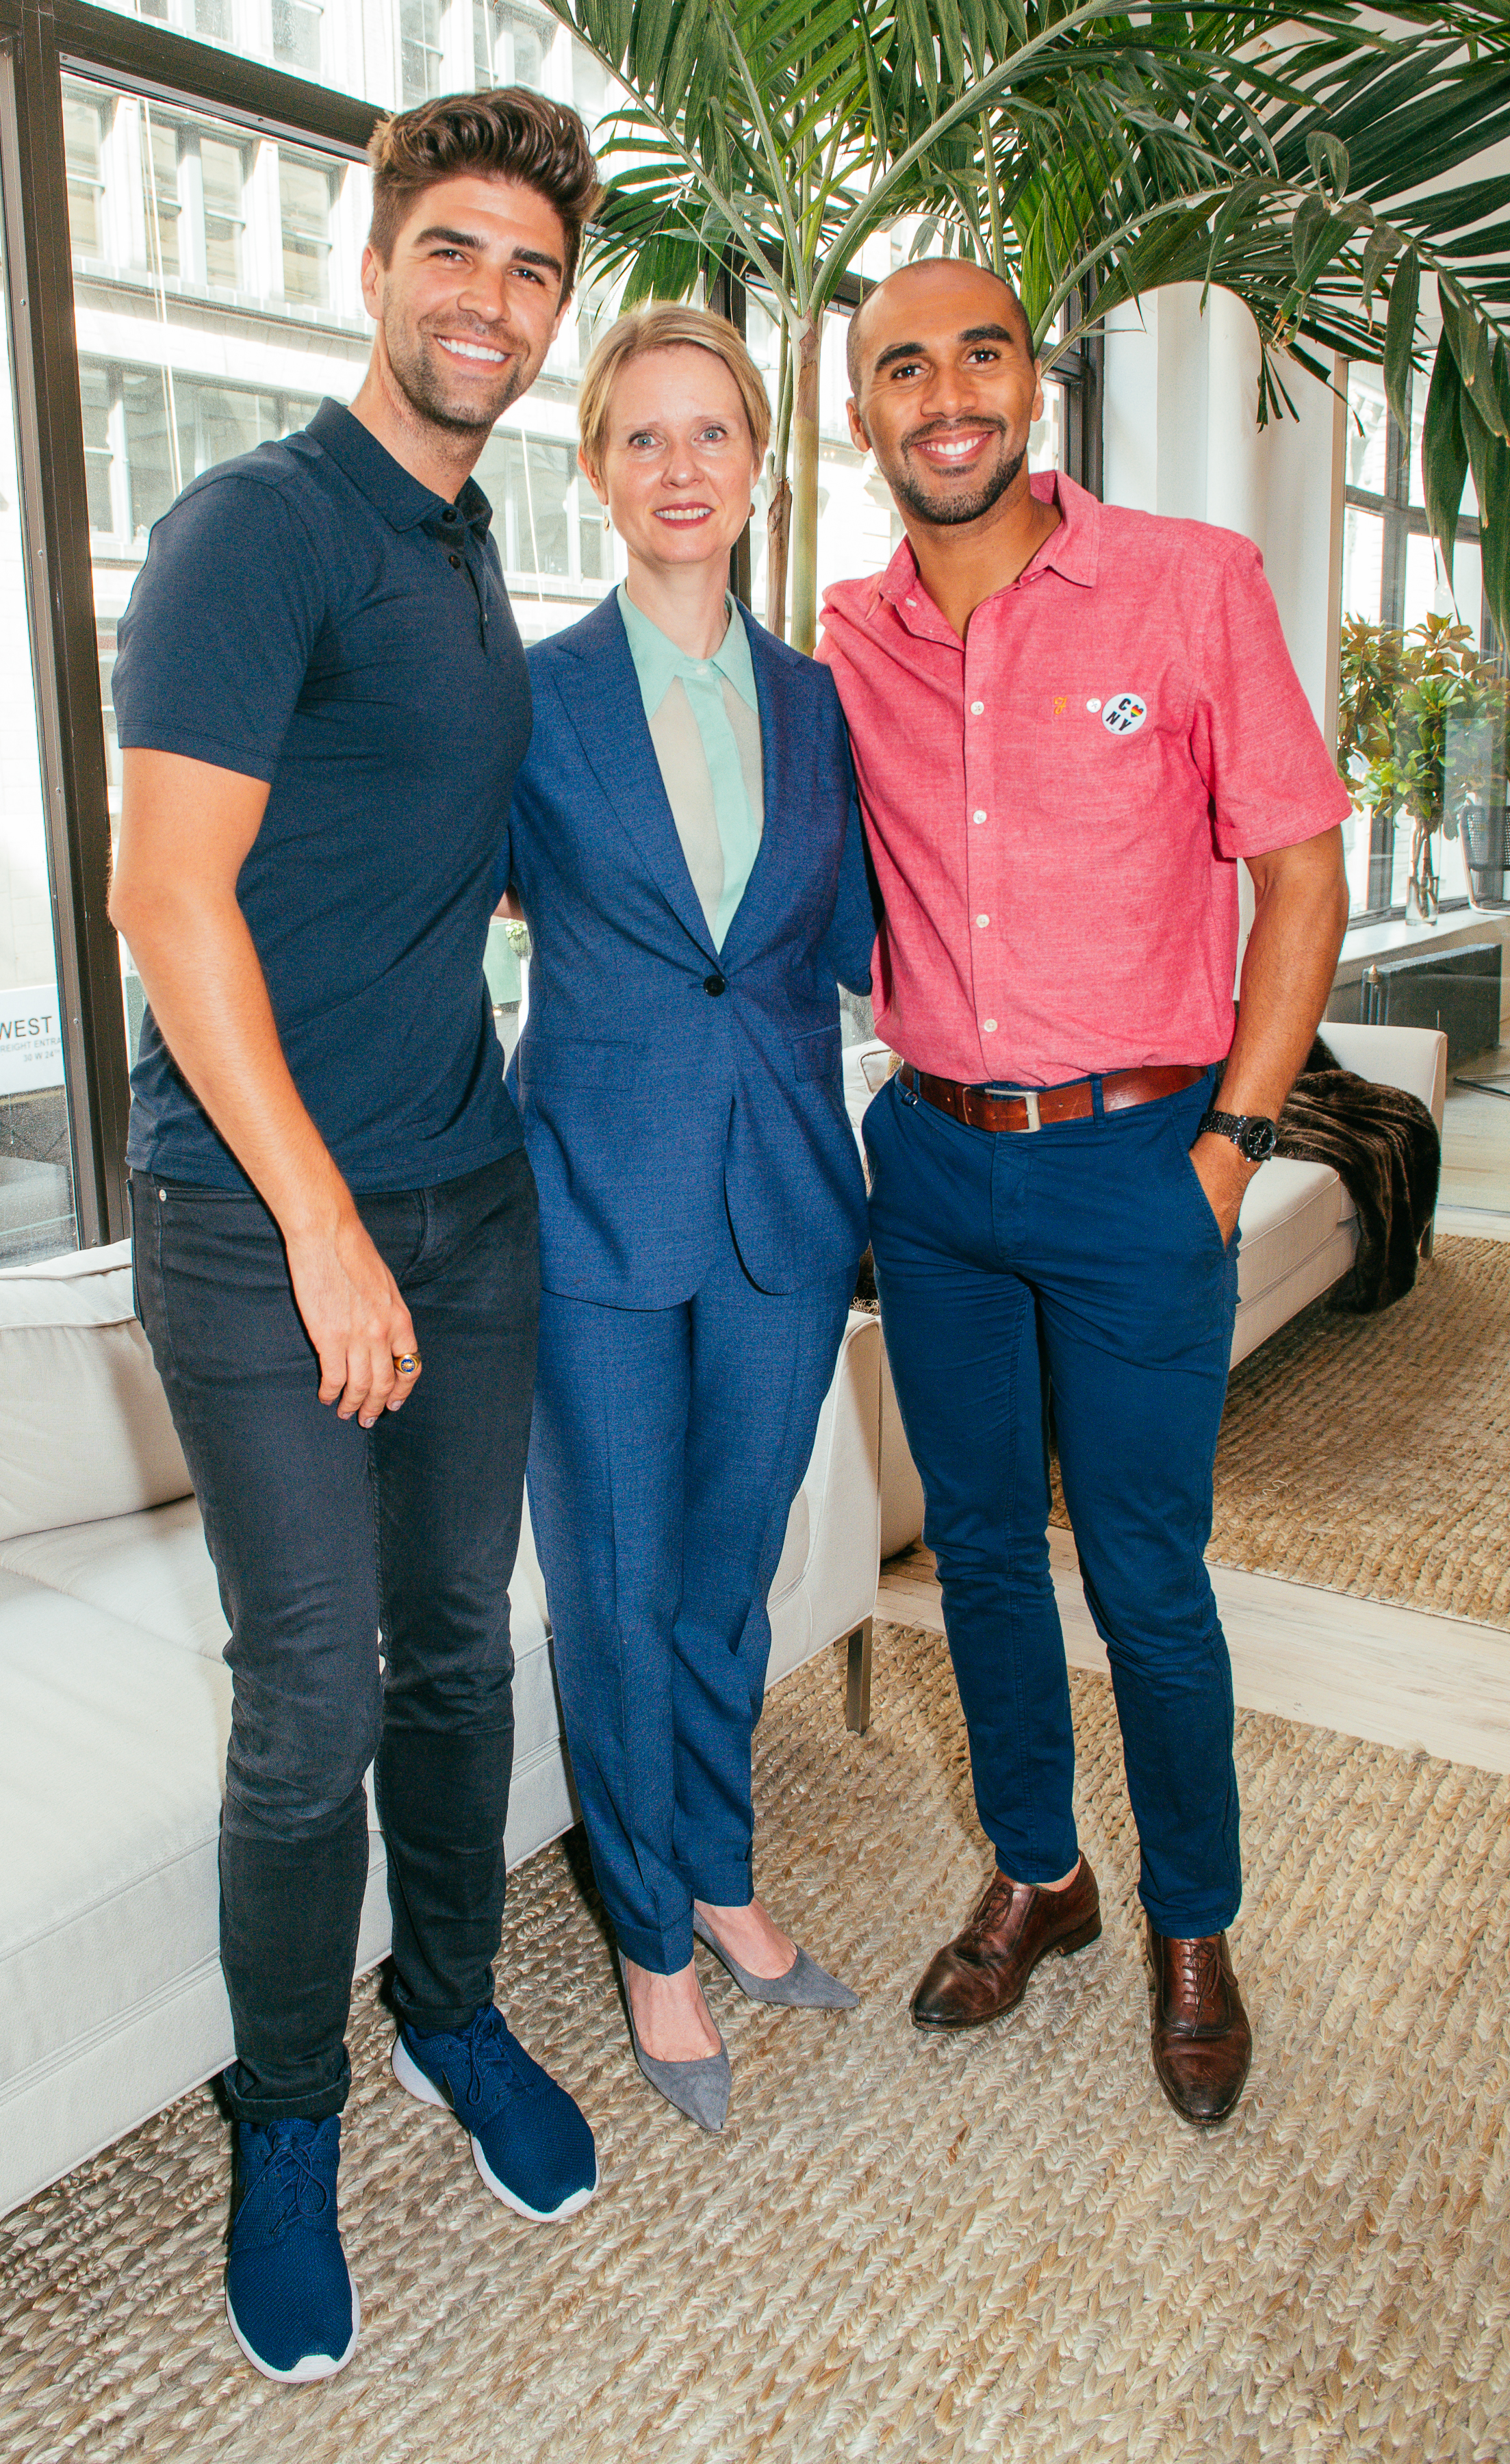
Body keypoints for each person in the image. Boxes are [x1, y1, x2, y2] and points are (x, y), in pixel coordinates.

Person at [107, 91, 604, 2385]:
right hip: (260, 1220)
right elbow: (163, 897)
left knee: (458, 1657)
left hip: (466, 1195)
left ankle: (450, 2015)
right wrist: (319, 1227)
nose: (489, 301)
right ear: (372, 259)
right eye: (454, 253)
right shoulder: (258, 526)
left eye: (529, 268)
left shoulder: (463, 547)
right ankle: (286, 2117)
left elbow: (410, 866)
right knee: (307, 1710)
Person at [818, 259, 1351, 2126]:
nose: (943, 392)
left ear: (1030, 388)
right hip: (938, 1164)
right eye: (902, 365)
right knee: (972, 1550)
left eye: (978, 354)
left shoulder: (1190, 583)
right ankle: (1044, 1873)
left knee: (1147, 1576)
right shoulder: (846, 639)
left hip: (1144, 1156)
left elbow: (1301, 882)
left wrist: (1234, 1151)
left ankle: (1196, 1927)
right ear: (862, 412)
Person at [503, 305, 874, 2131]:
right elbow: (430, 925)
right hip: (589, 1218)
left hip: (787, 1213)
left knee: (727, 1583)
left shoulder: (820, 706)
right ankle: (651, 1936)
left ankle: (722, 1874)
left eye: (710, 434)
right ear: (593, 466)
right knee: (616, 1594)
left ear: (758, 463)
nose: (678, 468)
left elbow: (860, 950)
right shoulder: (534, 698)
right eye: (640, 438)